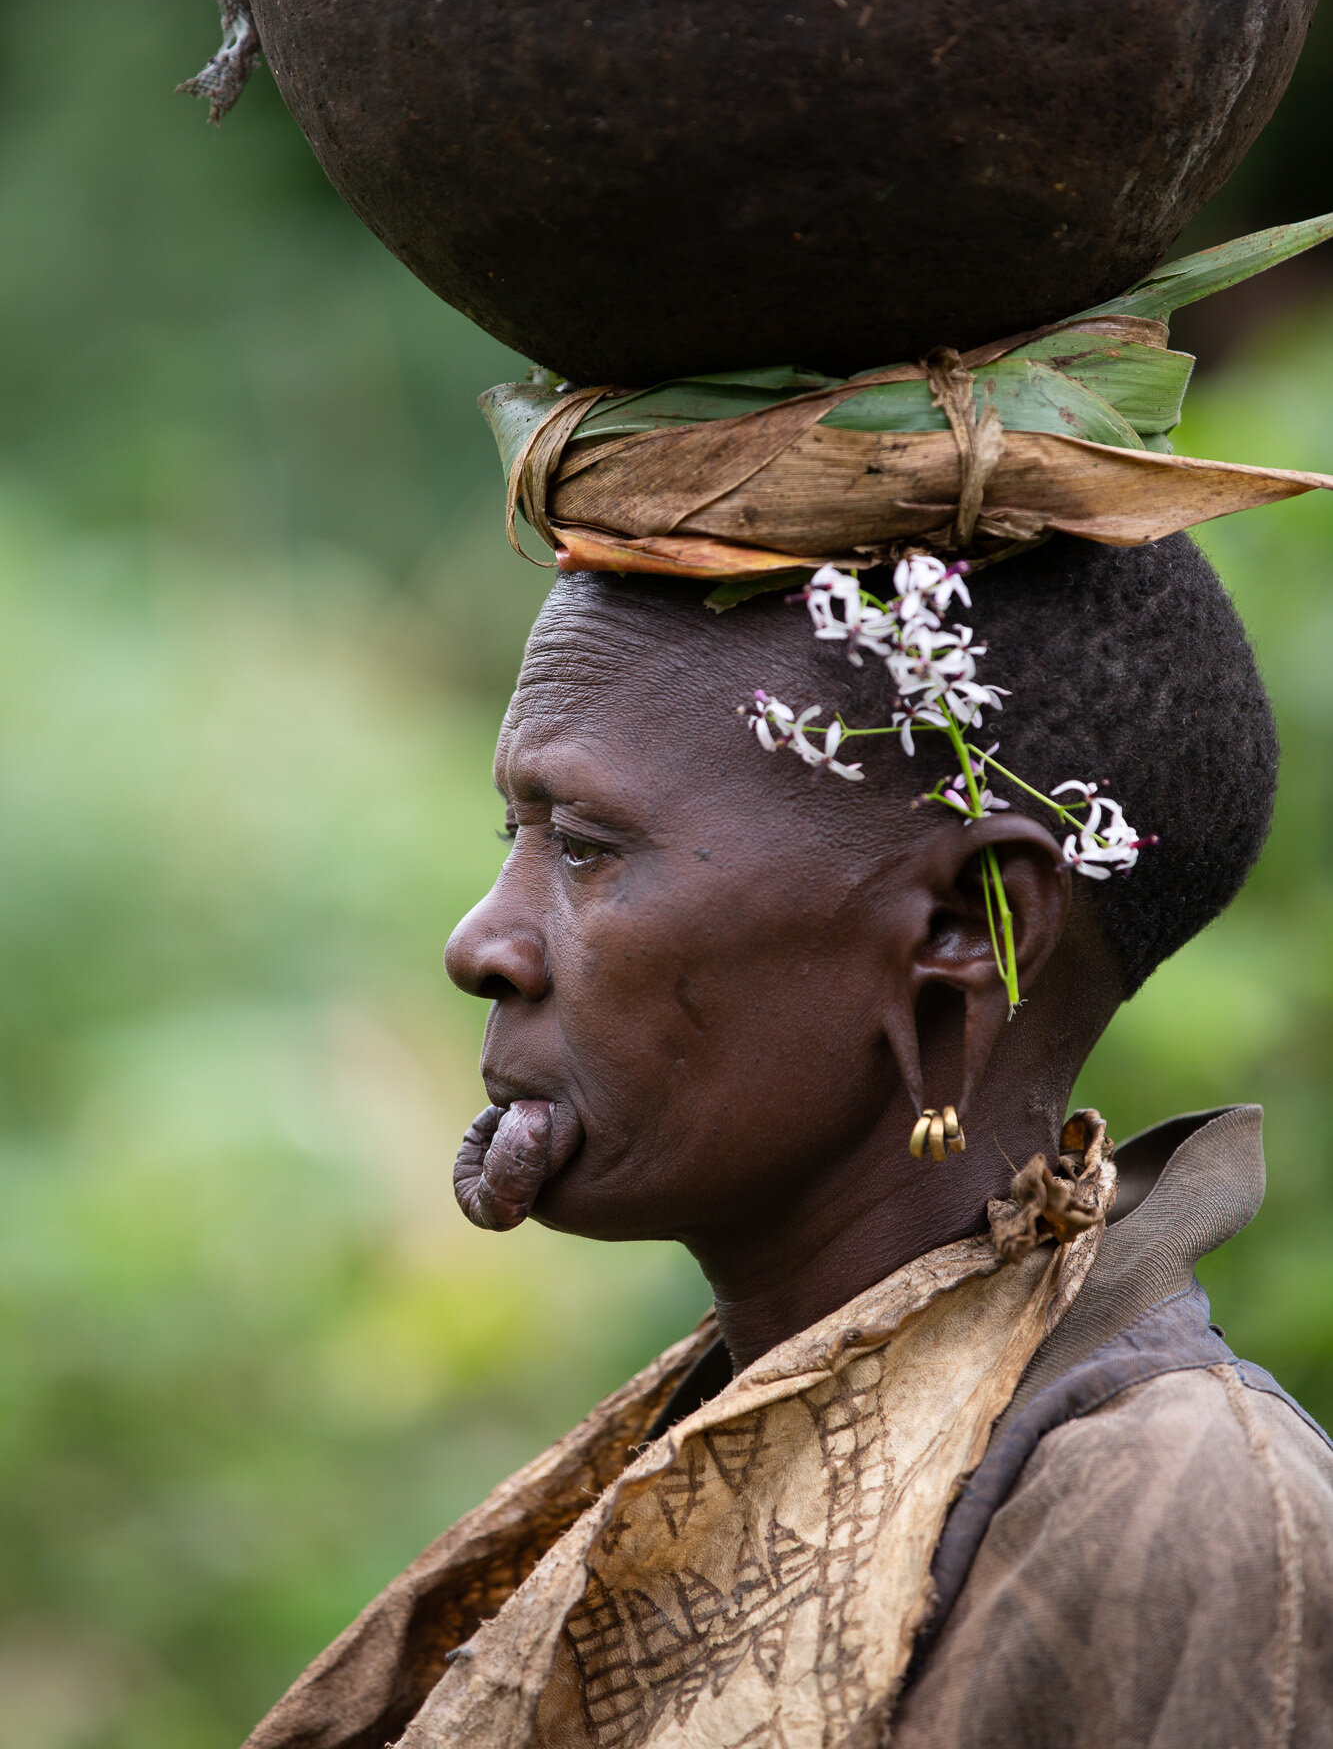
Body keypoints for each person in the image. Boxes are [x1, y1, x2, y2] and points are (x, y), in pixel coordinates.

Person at [244, 531, 1333, 1749]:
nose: (482, 943)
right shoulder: (716, 1434)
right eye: (516, 830)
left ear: (966, 929)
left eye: (590, 847)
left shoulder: (1187, 1519)